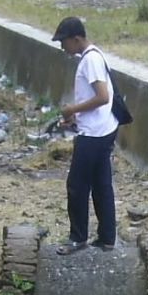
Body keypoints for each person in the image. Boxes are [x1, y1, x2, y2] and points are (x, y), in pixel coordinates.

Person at [52, 17, 119, 255]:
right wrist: (75, 118)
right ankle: (107, 238)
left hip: (94, 134)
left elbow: (102, 97)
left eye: (64, 42)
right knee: (101, 185)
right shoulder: (94, 56)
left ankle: (77, 238)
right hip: (103, 128)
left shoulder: (90, 59)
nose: (62, 47)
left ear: (76, 38)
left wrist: (73, 110)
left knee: (77, 186)